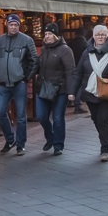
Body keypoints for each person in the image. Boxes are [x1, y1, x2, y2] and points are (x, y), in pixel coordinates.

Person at [0, 14, 38, 155]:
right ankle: (10, 139)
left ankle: (20, 145)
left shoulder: (27, 40)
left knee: (21, 116)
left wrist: (26, 79)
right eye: (11, 24)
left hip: (19, 83)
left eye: (16, 24)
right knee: (0, 111)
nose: (14, 27)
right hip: (3, 84)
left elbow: (34, 61)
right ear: (7, 25)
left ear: (19, 25)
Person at [71, 24, 108, 162]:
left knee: (103, 119)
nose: (100, 36)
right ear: (93, 36)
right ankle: (104, 139)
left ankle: (105, 149)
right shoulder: (86, 52)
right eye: (98, 34)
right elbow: (78, 73)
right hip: (91, 93)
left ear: (107, 35)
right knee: (96, 119)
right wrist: (72, 92)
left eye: (103, 34)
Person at [35, 23, 75, 156]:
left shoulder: (65, 50)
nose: (47, 36)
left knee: (58, 118)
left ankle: (58, 145)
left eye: (49, 34)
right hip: (43, 88)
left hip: (60, 90)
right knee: (41, 116)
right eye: (45, 34)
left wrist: (71, 91)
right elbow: (38, 67)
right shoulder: (44, 49)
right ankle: (50, 138)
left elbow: (70, 71)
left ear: (56, 35)